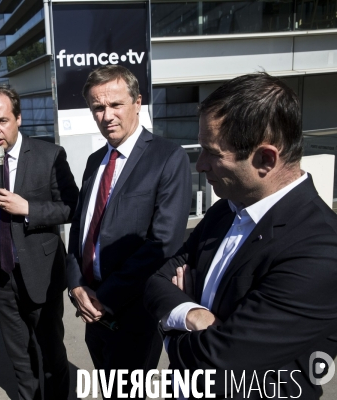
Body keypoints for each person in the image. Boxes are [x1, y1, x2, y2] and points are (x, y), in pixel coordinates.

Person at [144, 72, 337, 399]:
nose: (200, 165)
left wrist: (168, 326)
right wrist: (191, 315)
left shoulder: (319, 250)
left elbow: (218, 363)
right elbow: (157, 280)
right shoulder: (225, 209)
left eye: (213, 153)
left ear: (265, 159)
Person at [66, 65, 192, 397]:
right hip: (91, 310)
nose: (106, 115)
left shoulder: (168, 157)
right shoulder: (95, 161)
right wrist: (75, 285)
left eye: (115, 105)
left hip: (133, 314)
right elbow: (79, 231)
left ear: (138, 102)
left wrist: (103, 298)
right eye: (98, 107)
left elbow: (163, 243)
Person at [0, 87, 79, 399]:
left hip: (41, 272)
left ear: (19, 118)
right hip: (1, 272)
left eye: (2, 120)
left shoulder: (49, 155)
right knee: (20, 359)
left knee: (51, 355)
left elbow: (71, 206)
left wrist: (28, 209)